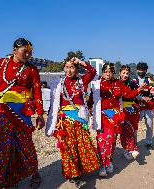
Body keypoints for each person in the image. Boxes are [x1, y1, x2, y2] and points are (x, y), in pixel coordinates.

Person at [0, 38, 45, 189]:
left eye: (30, 52)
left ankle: (35, 174)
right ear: (14, 50)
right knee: (2, 148)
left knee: (26, 146)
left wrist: (40, 115)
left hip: (22, 113)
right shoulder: (2, 63)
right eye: (25, 52)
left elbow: (37, 92)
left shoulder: (31, 69)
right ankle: (2, 181)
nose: (28, 55)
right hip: (3, 112)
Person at [45, 56, 100, 188]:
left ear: (76, 69)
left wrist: (80, 62)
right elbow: (54, 104)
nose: (69, 70)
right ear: (64, 68)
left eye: (72, 67)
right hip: (65, 120)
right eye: (67, 67)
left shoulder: (82, 81)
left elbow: (92, 72)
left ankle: (81, 170)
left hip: (80, 119)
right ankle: (75, 175)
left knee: (82, 146)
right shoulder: (59, 83)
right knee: (69, 149)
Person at [89, 63, 145, 177]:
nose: (108, 74)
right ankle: (102, 165)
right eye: (106, 71)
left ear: (113, 73)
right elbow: (91, 98)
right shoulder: (97, 84)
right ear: (103, 72)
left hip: (115, 115)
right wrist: (88, 109)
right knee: (102, 139)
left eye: (110, 71)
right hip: (102, 115)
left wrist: (139, 89)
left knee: (112, 139)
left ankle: (108, 162)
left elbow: (128, 94)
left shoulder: (118, 83)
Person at [119, 65, 140, 160]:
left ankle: (131, 149)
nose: (125, 75)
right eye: (123, 73)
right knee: (124, 131)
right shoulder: (116, 83)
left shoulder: (133, 84)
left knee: (132, 130)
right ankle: (127, 149)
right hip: (120, 110)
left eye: (127, 73)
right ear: (119, 73)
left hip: (132, 110)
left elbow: (138, 94)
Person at [135, 62, 154, 150]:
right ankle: (134, 143)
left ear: (146, 70)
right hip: (138, 107)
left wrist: (150, 97)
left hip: (148, 107)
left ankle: (149, 142)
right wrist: (143, 98)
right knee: (135, 126)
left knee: (150, 126)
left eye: (143, 69)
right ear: (137, 70)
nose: (141, 71)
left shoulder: (150, 80)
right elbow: (133, 93)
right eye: (140, 69)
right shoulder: (133, 81)